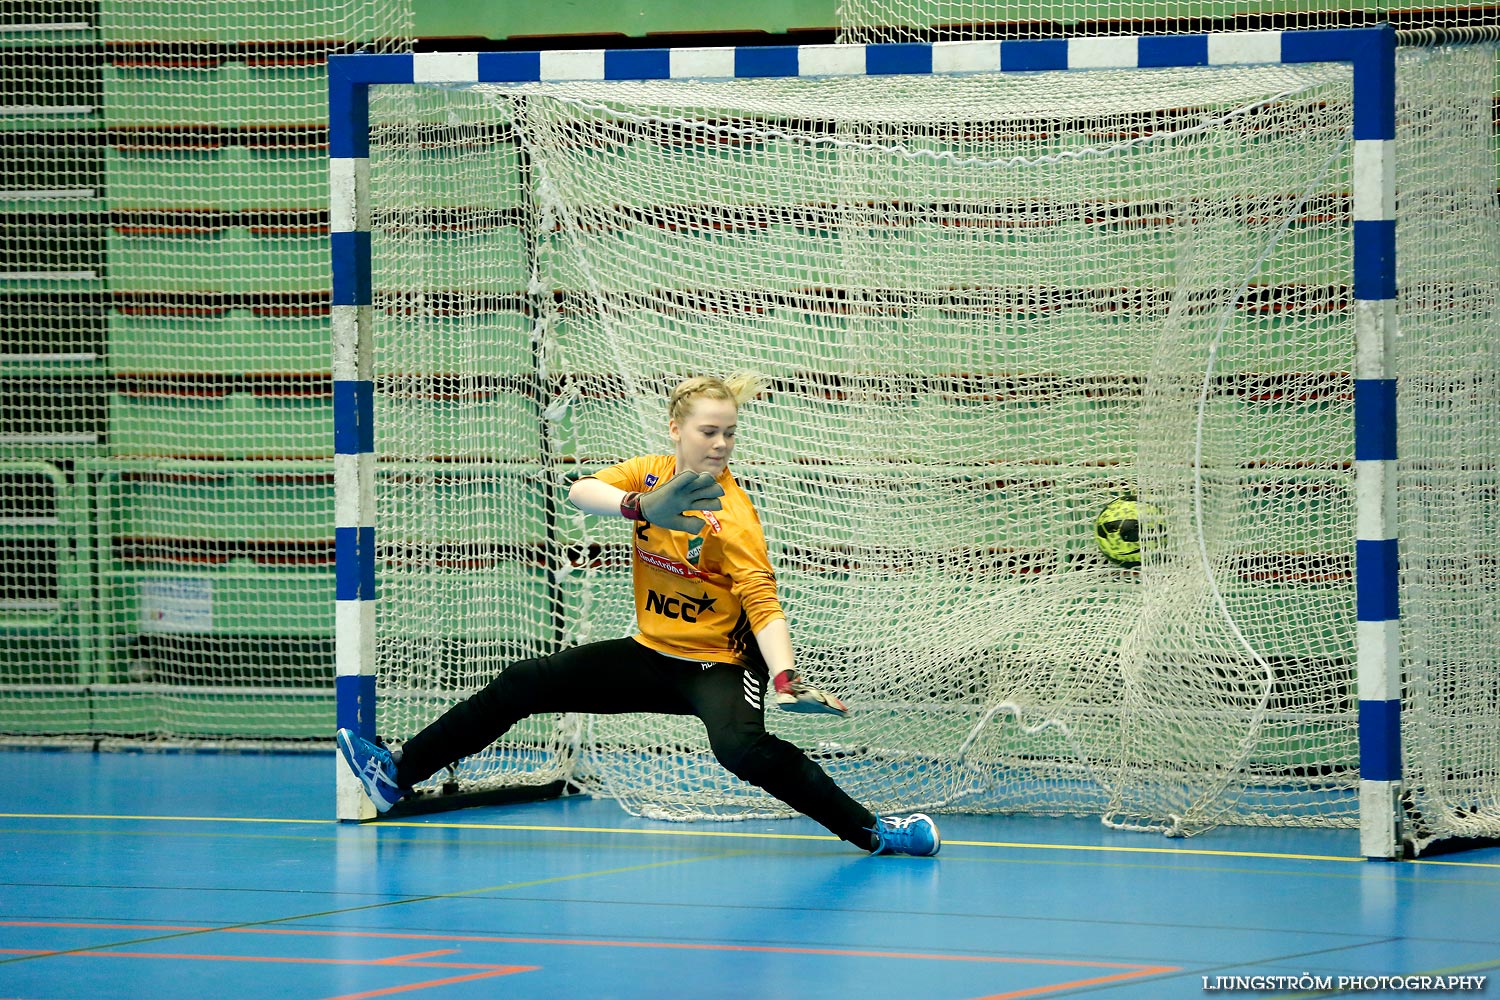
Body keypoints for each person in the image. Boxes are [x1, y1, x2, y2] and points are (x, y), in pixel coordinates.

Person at [336, 374, 939, 856]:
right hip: (650, 653)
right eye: (709, 432)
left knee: (742, 753)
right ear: (677, 430)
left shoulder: (735, 517)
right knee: (524, 683)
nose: (721, 444)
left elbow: (763, 604)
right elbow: (579, 491)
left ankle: (875, 832)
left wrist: (786, 678)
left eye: (730, 433)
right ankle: (396, 774)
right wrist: (640, 505)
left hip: (717, 664)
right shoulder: (649, 474)